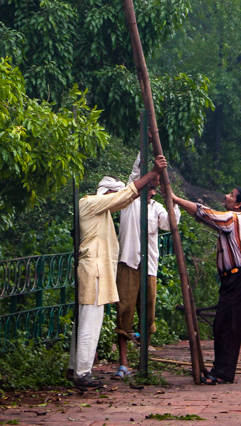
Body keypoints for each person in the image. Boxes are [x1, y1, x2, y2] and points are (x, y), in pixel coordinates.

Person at [68, 154, 167, 389]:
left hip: (96, 271)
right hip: (93, 271)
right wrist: (152, 173)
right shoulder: (91, 202)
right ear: (108, 194)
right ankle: (82, 373)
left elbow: (125, 197)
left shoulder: (98, 210)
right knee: (89, 324)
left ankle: (75, 368)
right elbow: (126, 195)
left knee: (83, 322)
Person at [171, 187, 241, 385]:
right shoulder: (234, 220)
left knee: (228, 326)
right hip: (232, 280)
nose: (226, 196)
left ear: (238, 204)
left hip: (238, 279)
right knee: (222, 325)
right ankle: (220, 370)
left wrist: (175, 199)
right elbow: (205, 217)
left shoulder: (233, 219)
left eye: (231, 195)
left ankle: (222, 373)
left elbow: (205, 213)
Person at [114, 152, 180, 379]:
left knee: (148, 314)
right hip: (129, 263)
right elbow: (135, 175)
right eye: (150, 183)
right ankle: (123, 363)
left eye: (156, 185)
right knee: (124, 313)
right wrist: (149, 147)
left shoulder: (157, 208)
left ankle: (144, 361)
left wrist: (170, 198)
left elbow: (170, 224)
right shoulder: (128, 202)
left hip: (148, 266)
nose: (152, 188)